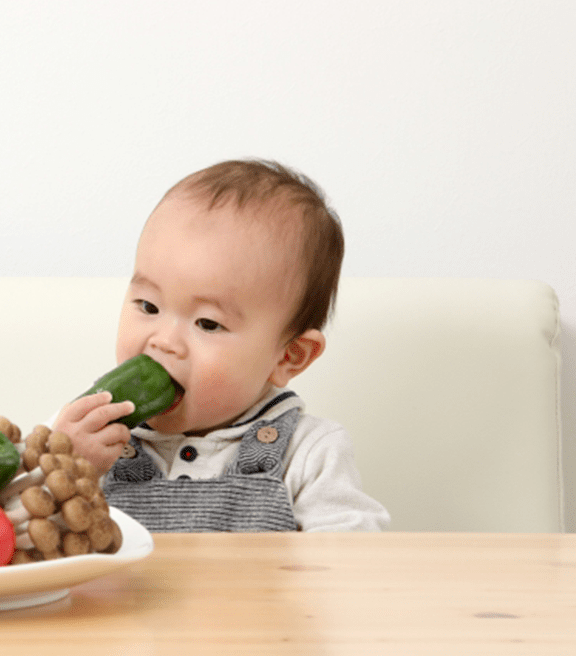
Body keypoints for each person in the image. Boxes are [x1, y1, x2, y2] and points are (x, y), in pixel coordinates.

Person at [52, 159, 389, 532]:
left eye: (208, 323)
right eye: (149, 306)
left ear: (289, 356)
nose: (164, 341)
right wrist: (61, 473)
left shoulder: (308, 452)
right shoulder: (82, 434)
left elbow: (355, 556)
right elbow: (14, 534)